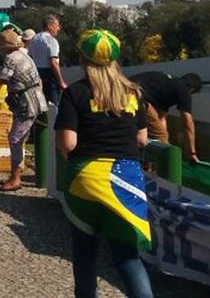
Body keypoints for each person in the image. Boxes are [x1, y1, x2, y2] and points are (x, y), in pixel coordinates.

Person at [56, 30, 153, 298]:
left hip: (85, 180)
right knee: (128, 258)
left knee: (85, 255)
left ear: (82, 58)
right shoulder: (133, 93)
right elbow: (143, 139)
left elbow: (67, 144)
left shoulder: (75, 93)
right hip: (126, 180)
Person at [0, 29, 47, 191]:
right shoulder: (23, 55)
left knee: (15, 139)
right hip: (33, 99)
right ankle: (15, 175)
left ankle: (16, 178)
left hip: (27, 103)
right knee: (19, 137)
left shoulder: (11, 59)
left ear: (4, 47)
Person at [130, 71, 202, 164]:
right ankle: (159, 173)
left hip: (122, 93)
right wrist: (192, 153)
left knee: (157, 136)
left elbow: (161, 118)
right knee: (160, 140)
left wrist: (165, 139)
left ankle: (146, 164)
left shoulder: (168, 85)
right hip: (136, 98)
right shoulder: (184, 89)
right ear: (192, 89)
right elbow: (187, 123)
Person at [28, 14, 67, 105]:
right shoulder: (51, 40)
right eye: (57, 26)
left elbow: (30, 57)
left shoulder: (34, 39)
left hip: (36, 73)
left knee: (39, 103)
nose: (58, 29)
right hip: (49, 75)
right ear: (49, 26)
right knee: (52, 105)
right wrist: (61, 81)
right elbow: (53, 62)